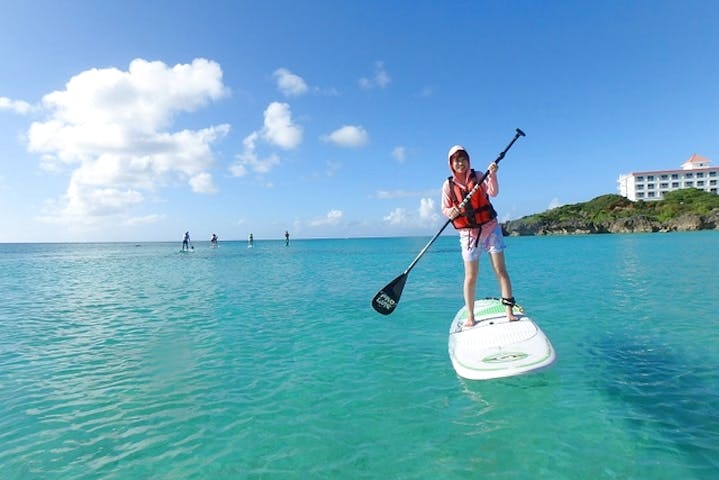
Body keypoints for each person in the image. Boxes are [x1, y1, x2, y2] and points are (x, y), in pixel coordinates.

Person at [441, 145, 518, 327]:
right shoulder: (448, 185)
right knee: (471, 276)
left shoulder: (479, 175)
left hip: (490, 227)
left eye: (463, 159)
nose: (460, 162)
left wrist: (492, 174)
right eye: (456, 160)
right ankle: (470, 316)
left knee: (500, 270)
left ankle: (509, 311)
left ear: (468, 161)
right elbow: (445, 209)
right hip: (468, 234)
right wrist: (453, 210)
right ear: (451, 164)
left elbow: (493, 192)